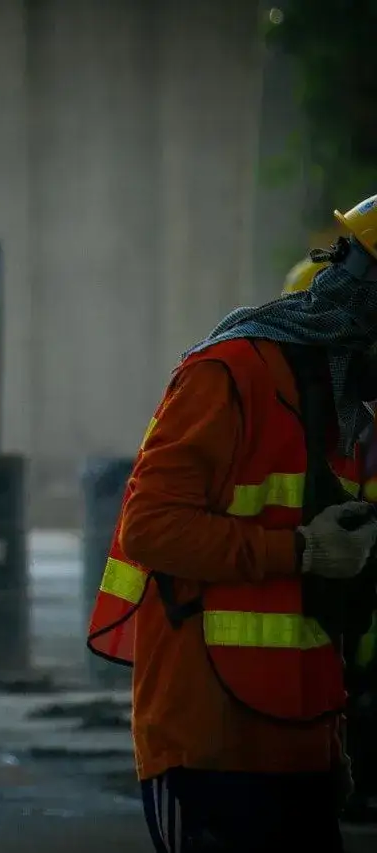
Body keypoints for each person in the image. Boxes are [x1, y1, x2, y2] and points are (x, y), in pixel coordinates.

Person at [87, 193, 377, 853]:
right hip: (209, 737)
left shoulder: (343, 407)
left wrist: (336, 741)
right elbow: (152, 529)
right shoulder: (232, 373)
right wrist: (302, 548)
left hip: (300, 741)